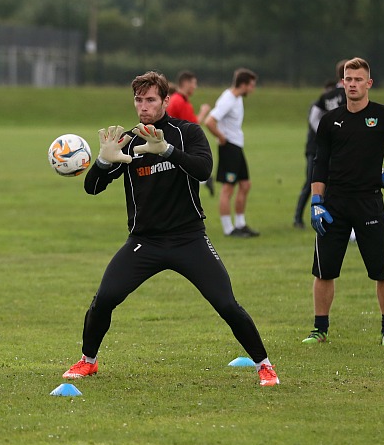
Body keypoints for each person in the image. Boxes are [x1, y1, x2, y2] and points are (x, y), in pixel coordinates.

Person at [61, 70, 279, 387]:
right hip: (144, 242)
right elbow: (92, 188)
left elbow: (204, 169)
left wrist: (167, 152)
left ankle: (265, 366)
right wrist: (105, 163)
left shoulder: (186, 133)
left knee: (226, 304)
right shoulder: (130, 142)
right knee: (105, 298)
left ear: (165, 100)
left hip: (189, 239)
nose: (144, 106)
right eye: (138, 100)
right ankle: (87, 362)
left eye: (150, 99)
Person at [303, 57, 384, 346]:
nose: (352, 84)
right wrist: (316, 202)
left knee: (383, 271)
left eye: (358, 79)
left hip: (369, 203)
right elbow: (319, 164)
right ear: (342, 82)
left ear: (369, 83)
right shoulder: (329, 120)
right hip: (333, 205)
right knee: (324, 270)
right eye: (348, 79)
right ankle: (319, 330)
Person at [204, 68, 259, 238]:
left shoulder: (237, 98)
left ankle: (241, 224)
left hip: (237, 146)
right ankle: (229, 229)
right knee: (228, 188)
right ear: (243, 84)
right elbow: (209, 121)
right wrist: (221, 137)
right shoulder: (228, 99)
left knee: (245, 185)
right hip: (229, 148)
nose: (252, 89)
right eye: (251, 85)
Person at [293, 70, 345, 229]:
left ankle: (328, 217)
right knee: (312, 182)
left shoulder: (326, 99)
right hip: (315, 148)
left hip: (326, 148)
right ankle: (298, 218)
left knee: (326, 183)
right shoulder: (329, 99)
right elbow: (313, 120)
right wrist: (325, 136)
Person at [167, 70, 214, 196]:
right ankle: (206, 180)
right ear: (186, 83)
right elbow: (193, 127)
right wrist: (204, 112)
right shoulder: (181, 102)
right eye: (193, 83)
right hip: (179, 145)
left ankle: (206, 180)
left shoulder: (175, 99)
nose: (195, 86)